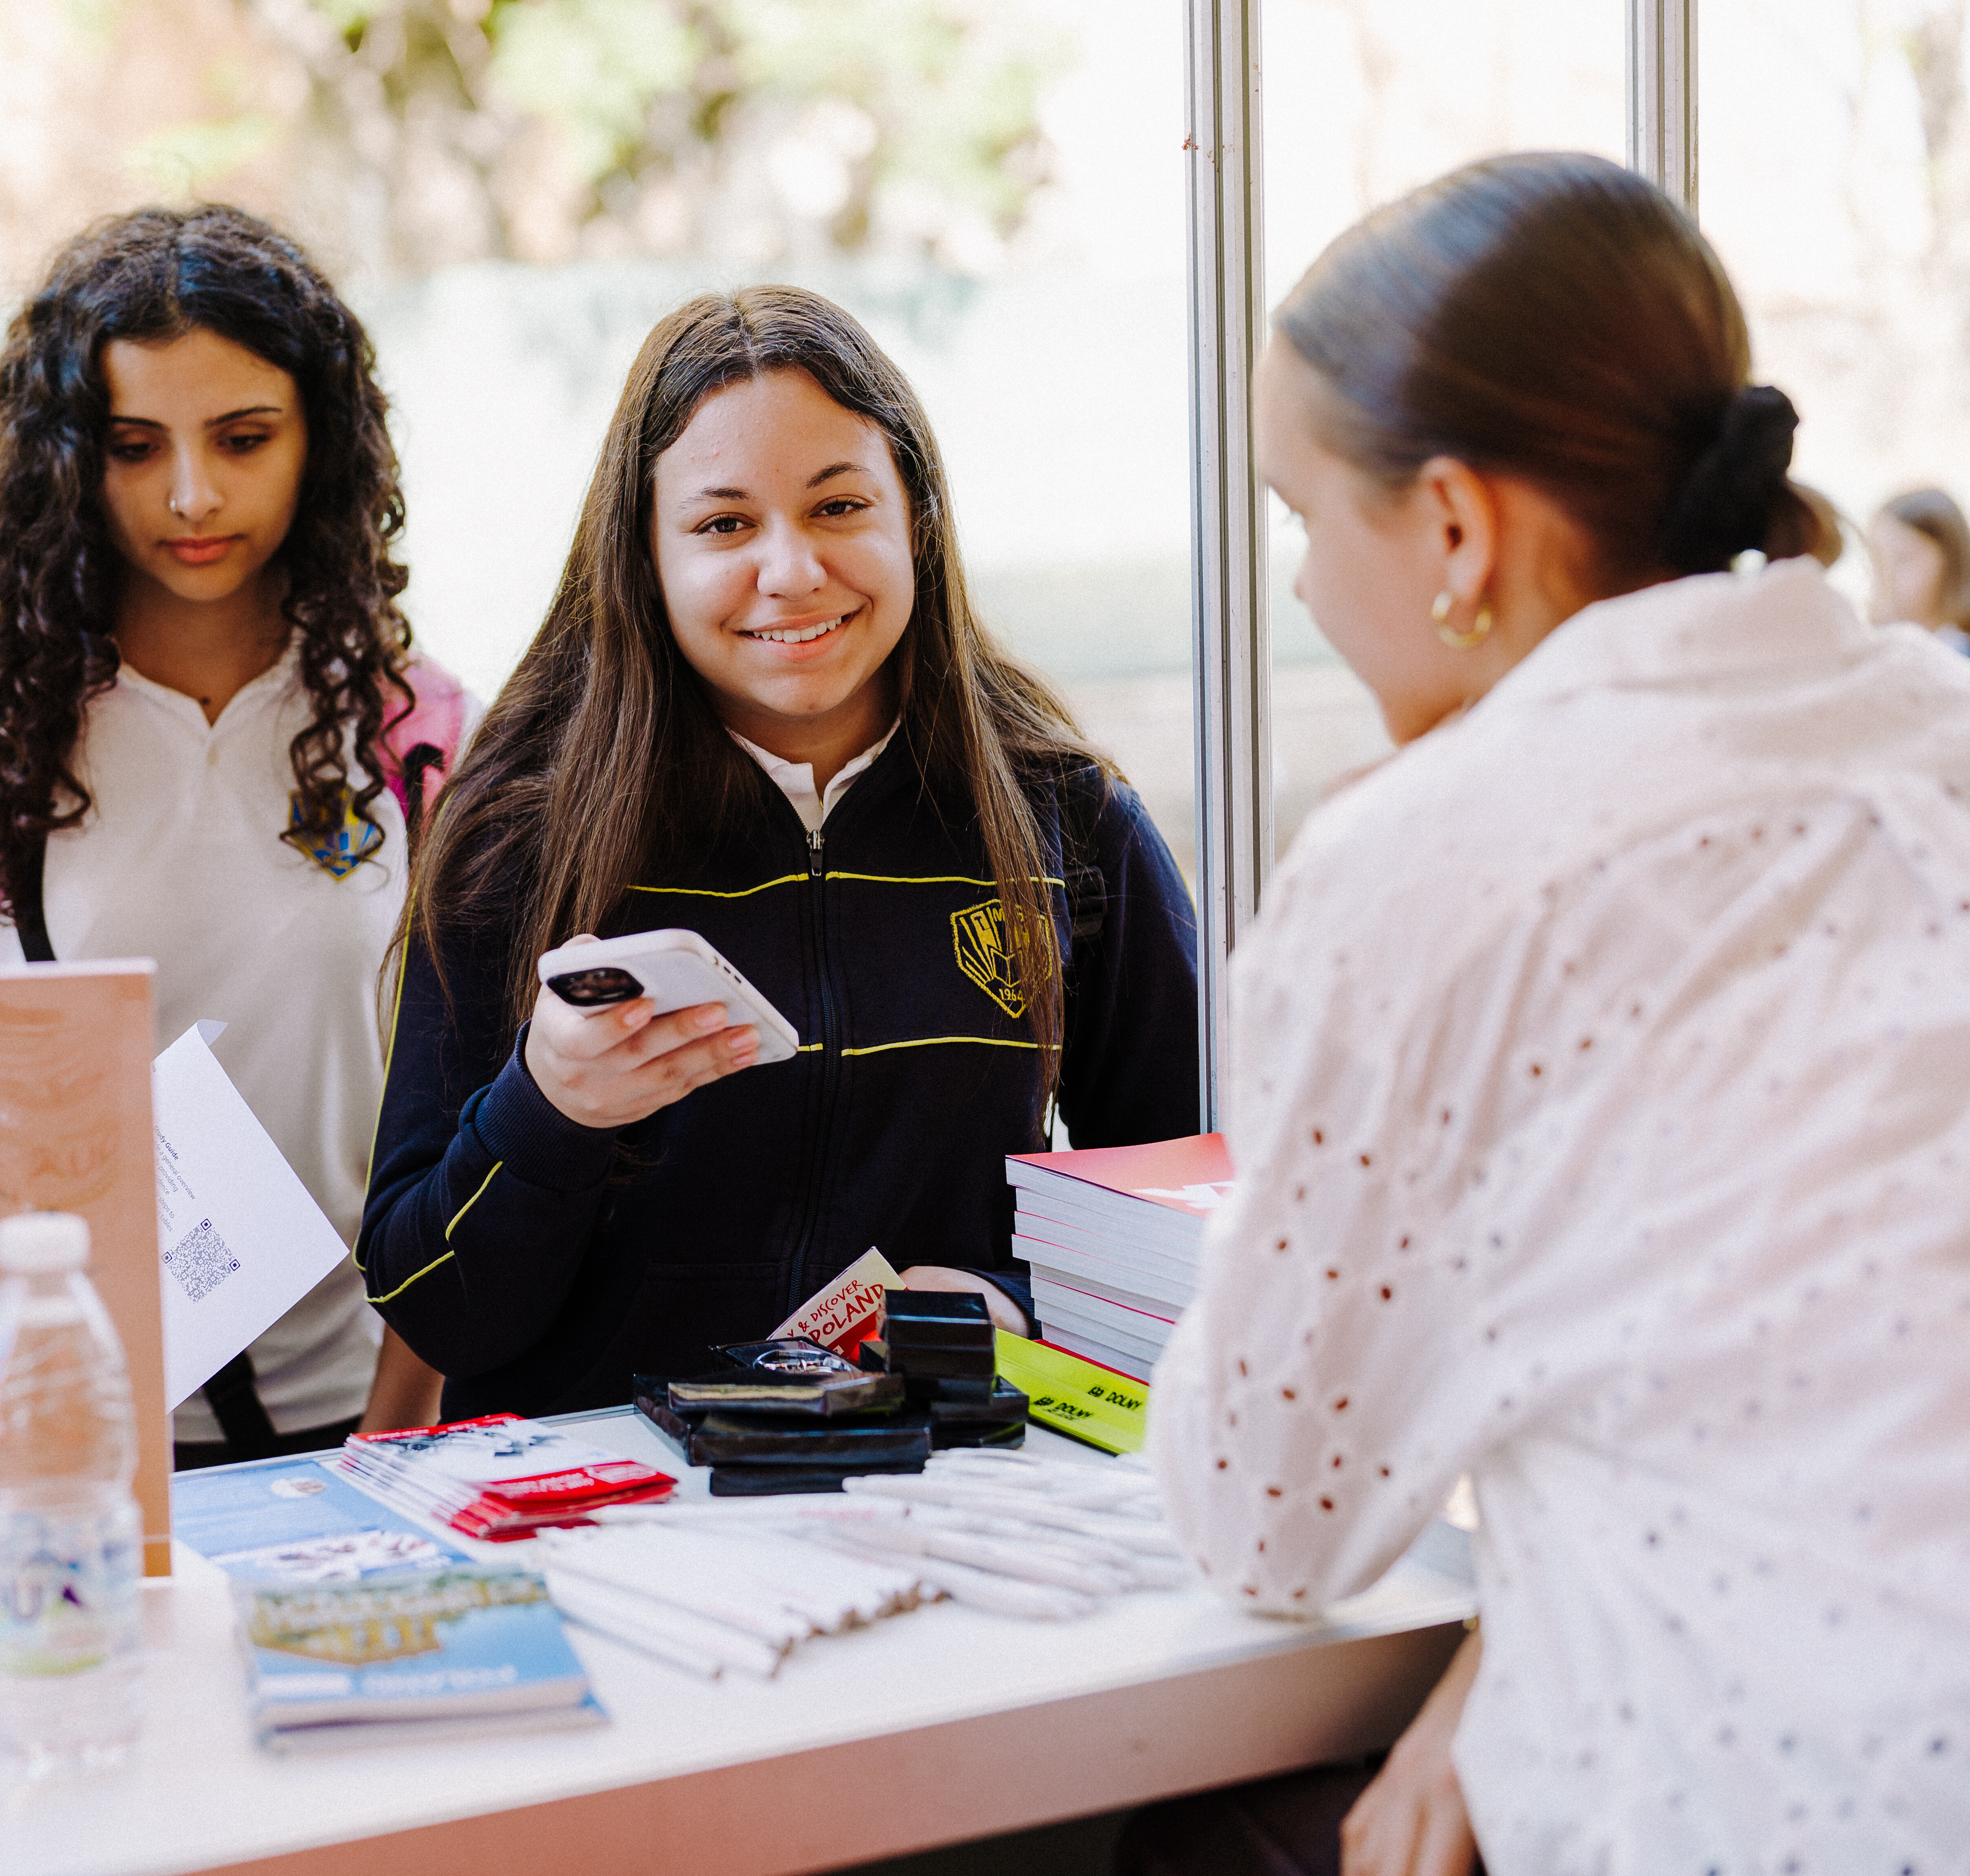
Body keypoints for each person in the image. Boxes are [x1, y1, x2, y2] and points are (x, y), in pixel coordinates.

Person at [1143, 152, 1970, 1875]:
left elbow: (1267, 1520)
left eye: (1302, 518)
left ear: (1455, 527)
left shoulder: (1431, 862)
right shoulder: (1926, 725)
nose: (1300, 589)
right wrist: (1496, 1642)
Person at [357, 286, 1203, 1421]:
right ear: (643, 555)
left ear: (918, 519)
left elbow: (1198, 1235)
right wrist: (547, 1109)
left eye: (839, 506)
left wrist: (1011, 1306)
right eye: (724, 526)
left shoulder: (1071, 822)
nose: (793, 570)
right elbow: (429, 1304)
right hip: (606, 1506)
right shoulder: (518, 839)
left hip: (946, 1497)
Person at [0, 205, 462, 1469]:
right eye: (134, 447)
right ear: (68, 457)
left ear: (323, 439)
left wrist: (399, 1424)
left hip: (356, 1420)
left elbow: (472, 1114)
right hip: (53, 1424)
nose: (192, 495)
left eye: (244, 438)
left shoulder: (421, 727)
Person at [1866, 485, 1970, 654]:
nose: (1888, 578)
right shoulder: (1878, 647)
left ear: (1951, 563)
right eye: (1878, 563)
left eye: (1903, 559)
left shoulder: (1959, 654)